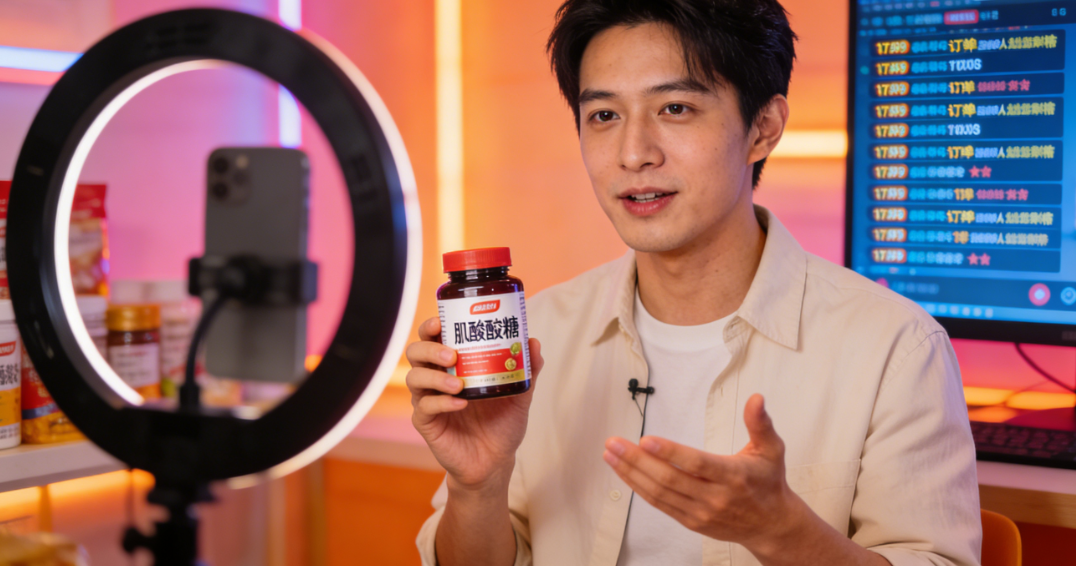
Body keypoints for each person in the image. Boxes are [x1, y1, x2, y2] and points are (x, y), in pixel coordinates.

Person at [406, 1, 982, 564]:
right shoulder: (533, 338)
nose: (633, 154)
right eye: (604, 115)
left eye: (675, 108)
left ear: (763, 128)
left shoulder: (895, 348)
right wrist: (478, 486)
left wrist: (784, 534)